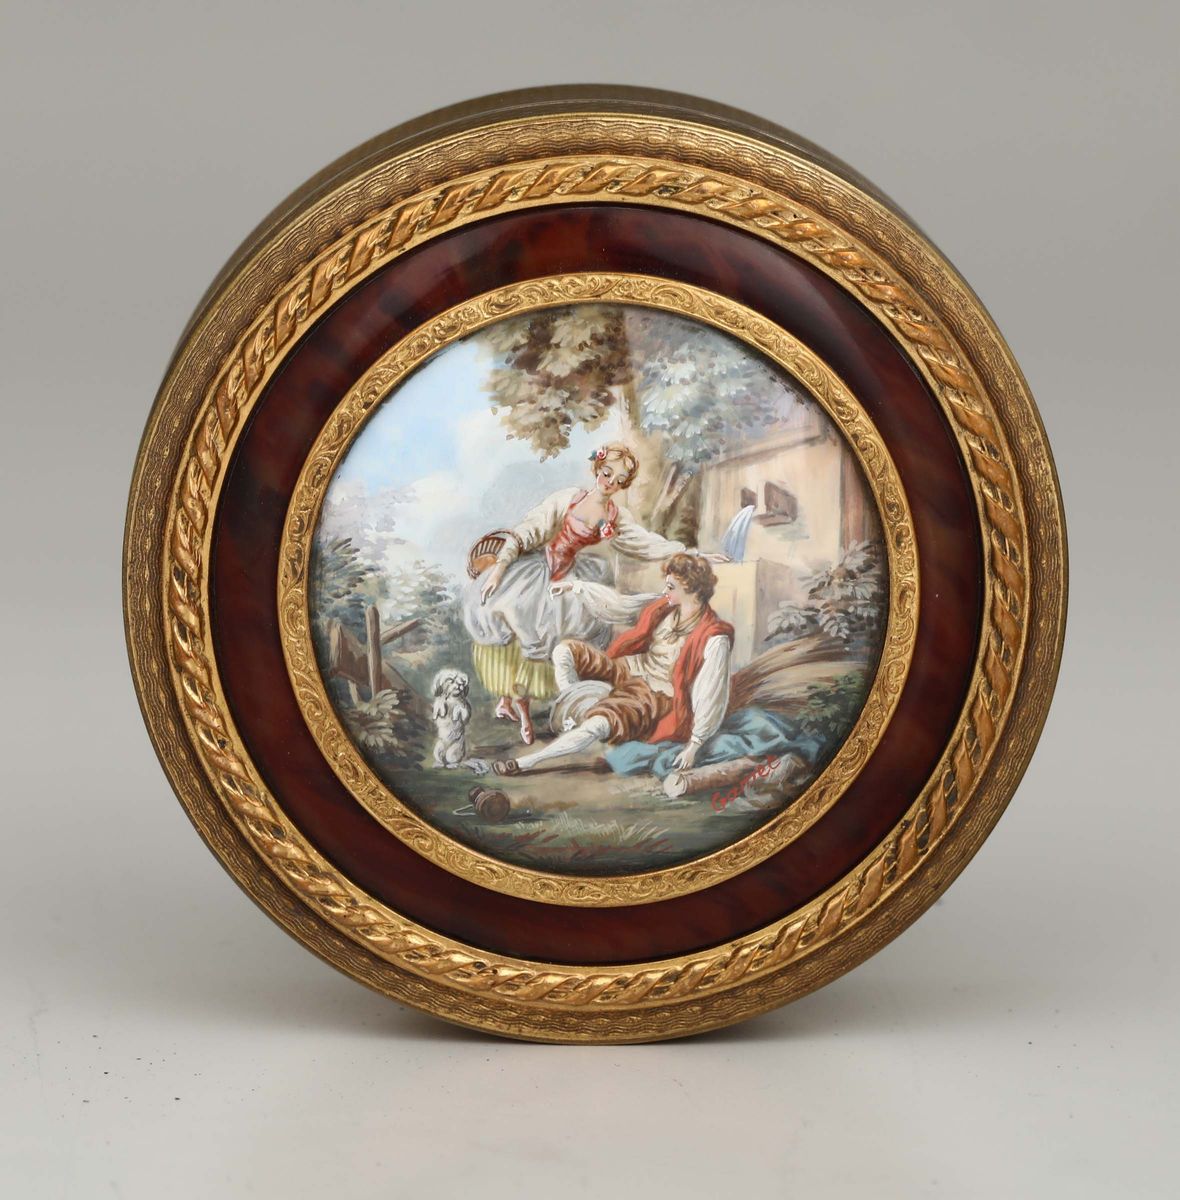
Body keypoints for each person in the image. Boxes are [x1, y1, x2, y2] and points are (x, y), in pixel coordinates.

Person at [462, 444, 721, 745]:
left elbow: (646, 544)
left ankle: (541, 704)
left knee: (562, 634)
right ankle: (508, 700)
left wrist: (691, 553)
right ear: (597, 469)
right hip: (539, 571)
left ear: (623, 485)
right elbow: (529, 529)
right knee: (516, 616)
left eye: (619, 480)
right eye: (607, 473)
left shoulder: (615, 516)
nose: (610, 482)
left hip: (569, 576)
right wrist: (500, 568)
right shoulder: (569, 498)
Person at [493, 554, 733, 774]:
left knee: (598, 724)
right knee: (564, 651)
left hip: (653, 693)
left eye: (670, 586)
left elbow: (710, 692)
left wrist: (695, 744)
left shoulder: (714, 637)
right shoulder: (665, 606)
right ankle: (580, 708)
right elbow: (620, 604)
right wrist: (576, 587)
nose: (664, 590)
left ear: (692, 590)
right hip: (627, 668)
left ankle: (528, 762)